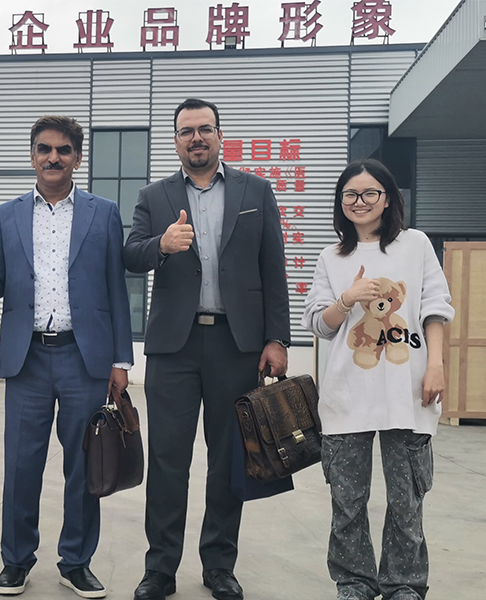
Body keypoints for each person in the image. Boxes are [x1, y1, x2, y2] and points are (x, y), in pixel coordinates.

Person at [122, 98, 291, 600]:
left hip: (236, 346)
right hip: (174, 347)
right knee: (168, 460)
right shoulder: (154, 196)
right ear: (175, 141)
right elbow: (130, 255)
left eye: (204, 129)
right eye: (186, 131)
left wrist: (276, 338)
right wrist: (161, 245)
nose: (196, 138)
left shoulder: (255, 190)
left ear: (220, 135)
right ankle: (160, 569)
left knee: (228, 459)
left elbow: (273, 268)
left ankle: (219, 564)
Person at [0, 115, 132, 598]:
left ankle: (76, 562)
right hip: (29, 359)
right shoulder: (7, 214)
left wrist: (120, 360)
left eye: (63, 150)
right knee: (21, 466)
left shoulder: (104, 213)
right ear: (32, 156)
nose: (53, 157)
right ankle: (16, 560)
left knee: (85, 465)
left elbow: (116, 290)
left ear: (77, 158)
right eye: (44, 149)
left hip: (85, 358)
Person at [302, 159, 454, 600]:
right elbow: (320, 324)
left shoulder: (415, 244)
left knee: (406, 500)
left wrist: (436, 364)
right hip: (347, 394)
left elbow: (435, 306)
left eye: (370, 193)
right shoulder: (332, 257)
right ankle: (354, 582)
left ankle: (404, 584)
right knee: (347, 502)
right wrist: (347, 298)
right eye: (350, 194)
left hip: (408, 391)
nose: (360, 202)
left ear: (388, 199)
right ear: (340, 203)